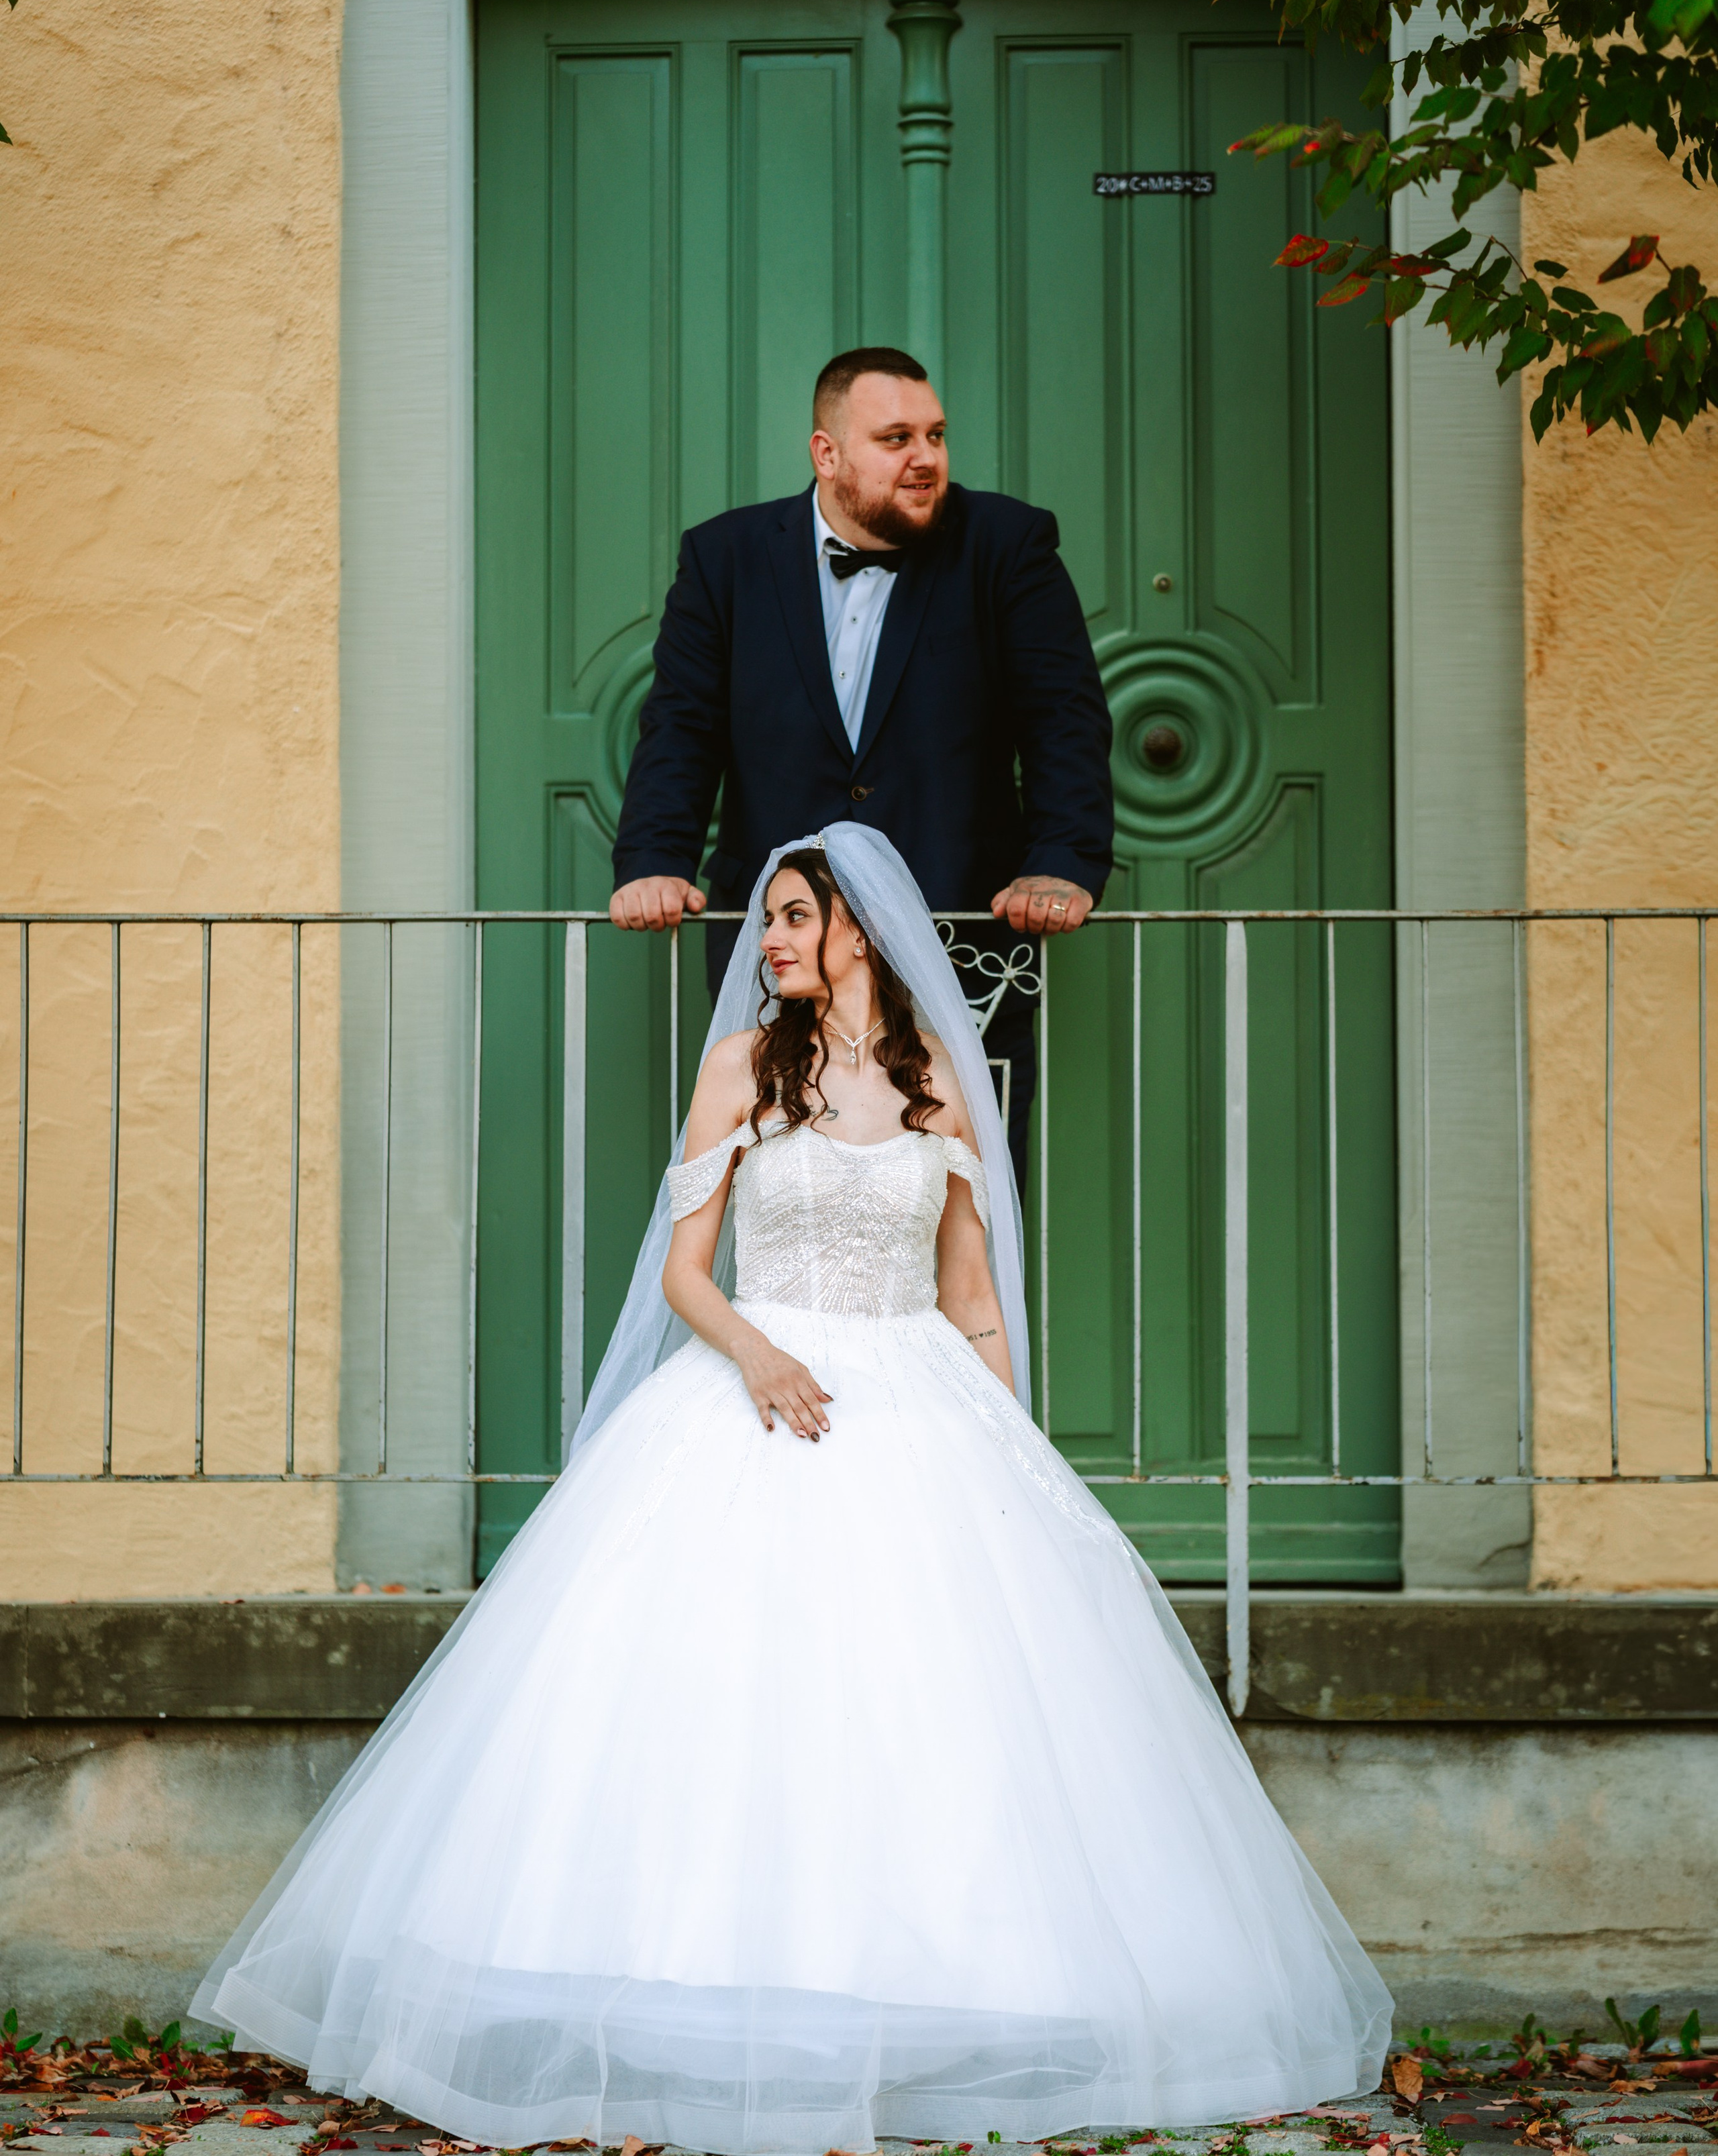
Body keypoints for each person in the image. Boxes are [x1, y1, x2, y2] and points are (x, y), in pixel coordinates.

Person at [192, 826, 1391, 2154]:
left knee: (936, 1708)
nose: (766, 941)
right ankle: (691, 1999)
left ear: (856, 935)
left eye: (789, 917)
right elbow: (682, 1270)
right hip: (754, 1388)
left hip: (917, 1395)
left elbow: (973, 1295)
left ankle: (948, 2000)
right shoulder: (735, 1075)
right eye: (767, 918)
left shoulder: (937, 1082)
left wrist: (1010, 1455)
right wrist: (759, 1354)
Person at [609, 346, 1115, 1186]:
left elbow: (1062, 717)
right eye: (896, 439)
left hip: (960, 940)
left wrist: (1061, 864)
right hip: (785, 948)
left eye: (937, 435)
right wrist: (655, 859)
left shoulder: (1007, 544)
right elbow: (682, 725)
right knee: (785, 1186)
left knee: (963, 1200)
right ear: (827, 452)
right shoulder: (725, 558)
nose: (926, 458)